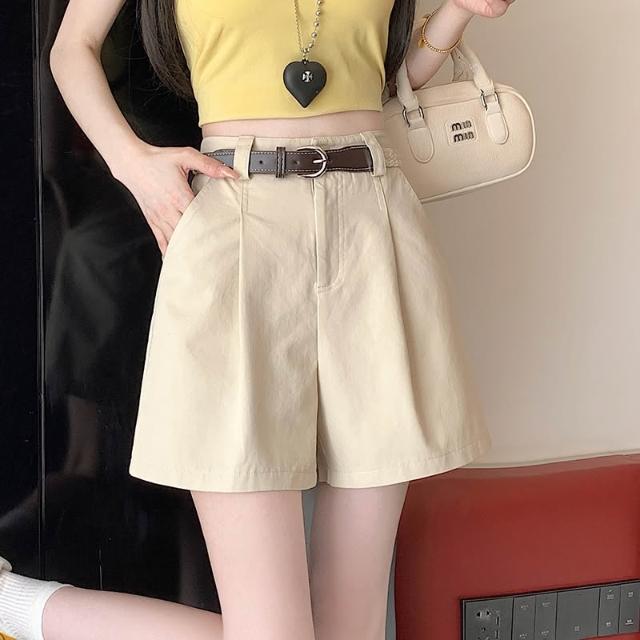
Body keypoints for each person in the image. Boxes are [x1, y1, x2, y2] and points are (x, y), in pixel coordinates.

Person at [0, 0, 515, 638]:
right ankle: (14, 604)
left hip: (372, 228)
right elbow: (71, 47)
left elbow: (385, 79)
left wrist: (457, 12)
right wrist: (133, 165)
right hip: (238, 226)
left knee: (352, 628)